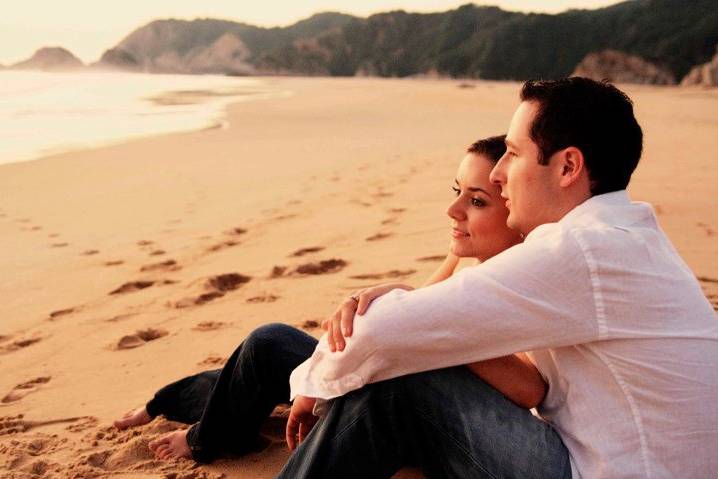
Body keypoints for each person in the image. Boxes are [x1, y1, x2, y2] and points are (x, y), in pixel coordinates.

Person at [280, 78, 718, 478]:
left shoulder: (582, 250)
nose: (497, 172)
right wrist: (416, 304)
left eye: (513, 151)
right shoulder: (624, 237)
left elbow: (379, 332)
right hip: (620, 460)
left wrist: (314, 383)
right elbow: (533, 381)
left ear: (568, 168)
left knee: (400, 388)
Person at [114, 135, 546, 463]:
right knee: (269, 353)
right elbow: (418, 313)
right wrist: (391, 300)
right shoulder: (464, 259)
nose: (454, 211)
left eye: (476, 201)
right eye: (456, 192)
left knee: (286, 355)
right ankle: (168, 404)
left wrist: (423, 329)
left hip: (423, 420)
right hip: (385, 382)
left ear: (515, 207)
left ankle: (203, 435)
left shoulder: (522, 280)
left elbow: (529, 389)